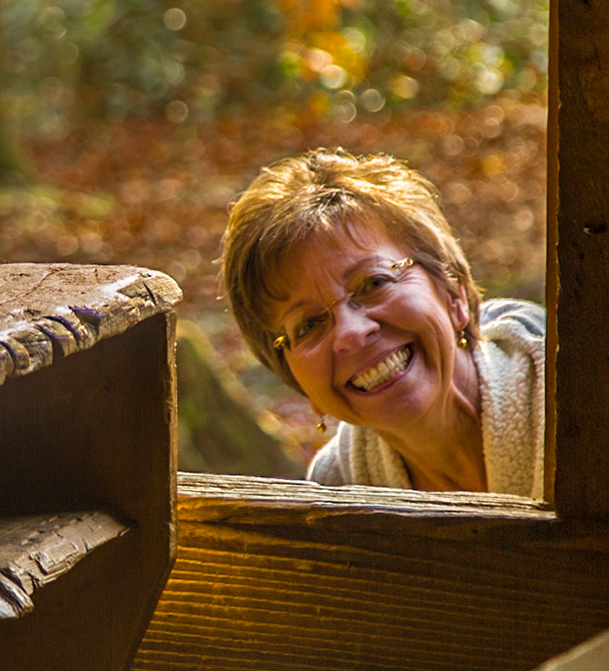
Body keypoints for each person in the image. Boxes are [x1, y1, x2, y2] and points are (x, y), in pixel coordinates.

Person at [218, 148, 545, 498]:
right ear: (297, 381)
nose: (351, 333)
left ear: (455, 294)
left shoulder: (577, 404)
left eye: (374, 283)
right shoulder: (336, 490)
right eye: (309, 325)